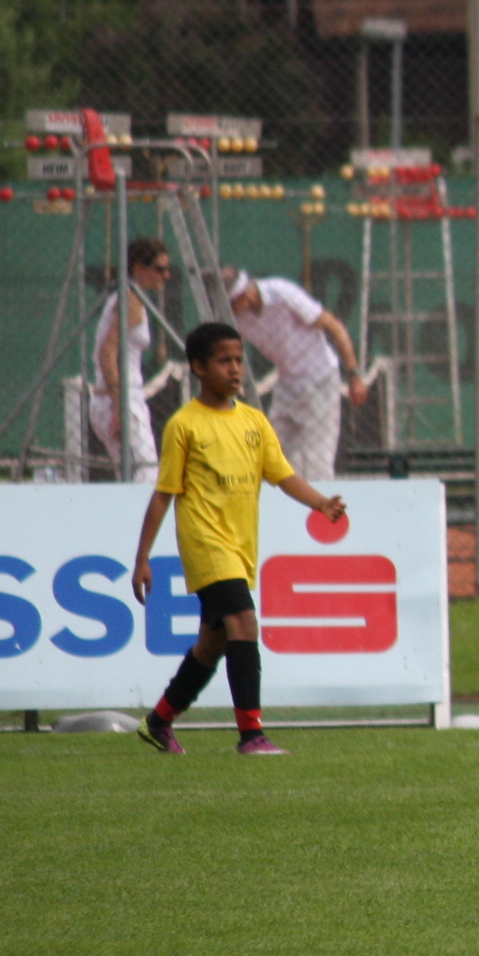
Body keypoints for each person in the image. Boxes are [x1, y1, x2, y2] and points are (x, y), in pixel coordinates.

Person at [128, 321, 349, 757]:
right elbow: (163, 494)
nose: (235, 369)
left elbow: (282, 475)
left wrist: (320, 502)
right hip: (206, 545)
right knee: (244, 623)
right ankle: (251, 735)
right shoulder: (184, 425)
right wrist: (142, 558)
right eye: (223, 361)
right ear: (198, 367)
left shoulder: (253, 421)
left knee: (212, 644)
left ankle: (158, 722)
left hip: (239, 547)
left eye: (239, 360)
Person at [223, 269, 369, 485]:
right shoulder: (235, 318)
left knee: (315, 461)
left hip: (320, 379)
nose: (227, 309)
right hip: (286, 385)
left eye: (230, 303)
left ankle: (321, 502)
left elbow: (334, 326)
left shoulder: (282, 294)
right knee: (272, 453)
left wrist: (354, 376)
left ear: (244, 296)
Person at [90, 237, 171, 483]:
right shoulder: (129, 300)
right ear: (139, 268)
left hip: (124, 398)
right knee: (145, 478)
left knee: (135, 478)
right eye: (159, 269)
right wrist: (119, 407)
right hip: (120, 399)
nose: (166, 276)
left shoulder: (130, 297)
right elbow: (107, 352)